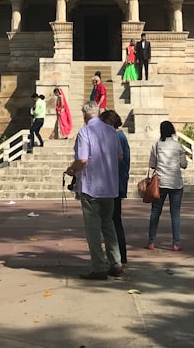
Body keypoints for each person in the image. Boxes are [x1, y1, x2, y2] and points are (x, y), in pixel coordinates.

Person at [65, 100, 123, 280]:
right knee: (109, 226)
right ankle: (116, 262)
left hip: (91, 187)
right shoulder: (112, 132)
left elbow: (82, 159)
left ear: (84, 115)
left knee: (93, 229)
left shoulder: (85, 132)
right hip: (110, 186)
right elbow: (120, 156)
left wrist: (71, 169)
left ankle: (99, 266)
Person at [146, 120, 188, 251]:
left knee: (155, 212)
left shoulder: (157, 145)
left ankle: (151, 242)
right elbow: (184, 165)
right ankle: (175, 243)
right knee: (175, 213)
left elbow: (152, 164)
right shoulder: (178, 146)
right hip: (176, 183)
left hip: (160, 182)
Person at [100, 109, 130, 265]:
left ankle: (116, 256)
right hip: (118, 184)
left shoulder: (116, 137)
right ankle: (120, 256)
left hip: (112, 185)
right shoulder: (121, 137)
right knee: (115, 221)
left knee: (110, 222)